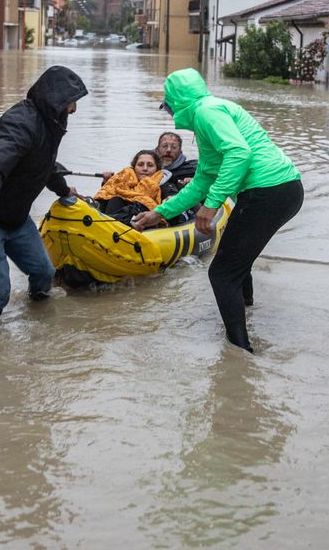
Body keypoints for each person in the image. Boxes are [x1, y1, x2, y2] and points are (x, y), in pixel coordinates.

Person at [132, 68, 303, 352]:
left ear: (177, 101)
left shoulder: (206, 112)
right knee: (238, 263)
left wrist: (211, 206)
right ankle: (246, 313)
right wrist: (159, 213)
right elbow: (202, 180)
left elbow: (239, 153)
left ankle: (239, 353)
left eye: (167, 105)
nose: (169, 112)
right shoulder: (208, 115)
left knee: (221, 273)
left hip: (268, 192)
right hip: (281, 190)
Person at [0, 65, 88, 319]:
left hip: (16, 218)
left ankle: (38, 319)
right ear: (57, 98)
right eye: (72, 101)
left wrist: (63, 190)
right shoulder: (21, 124)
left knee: (44, 274)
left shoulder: (52, 123)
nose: (74, 108)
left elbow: (44, 164)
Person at [94, 149, 163, 221]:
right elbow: (107, 194)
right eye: (140, 165)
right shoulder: (122, 179)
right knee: (115, 200)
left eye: (150, 165)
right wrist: (105, 183)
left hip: (141, 220)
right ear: (134, 167)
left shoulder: (164, 184)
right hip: (115, 217)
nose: (145, 168)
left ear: (157, 169)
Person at [155, 131, 198, 199]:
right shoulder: (145, 167)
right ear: (157, 150)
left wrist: (195, 181)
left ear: (180, 152)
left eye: (174, 147)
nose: (168, 150)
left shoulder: (194, 169)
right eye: (164, 146)